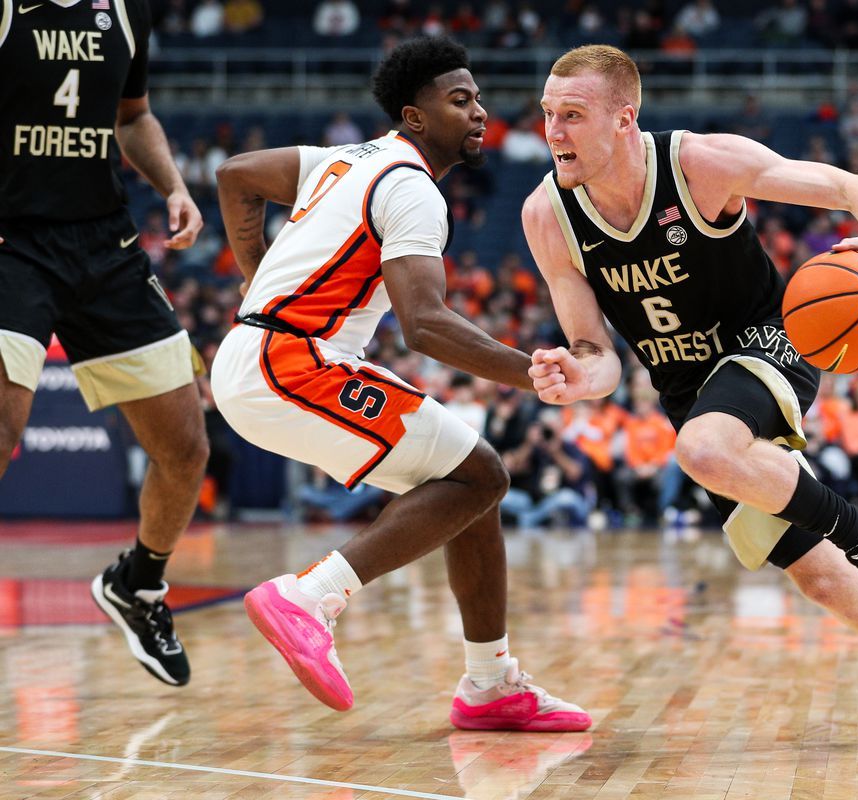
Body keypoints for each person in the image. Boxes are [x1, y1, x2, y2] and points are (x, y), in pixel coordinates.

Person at [521, 45, 858, 743]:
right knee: (825, 583)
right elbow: (598, 354)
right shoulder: (547, 215)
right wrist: (581, 376)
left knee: (700, 449)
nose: (553, 130)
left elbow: (855, 187)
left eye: (572, 115)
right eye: (549, 113)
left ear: (623, 120)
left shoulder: (701, 164)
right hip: (688, 392)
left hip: (770, 343)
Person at [210, 38, 588, 729]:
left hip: (269, 353)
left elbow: (236, 175)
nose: (479, 113)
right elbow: (425, 325)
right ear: (415, 117)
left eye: (477, 98)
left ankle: (490, 683)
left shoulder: (342, 159)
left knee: (472, 484)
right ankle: (312, 596)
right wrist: (528, 372)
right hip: (287, 361)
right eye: (460, 100)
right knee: (478, 478)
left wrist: (257, 274)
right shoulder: (410, 185)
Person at [0, 0, 208, 687]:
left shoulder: (126, 10)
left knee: (185, 446)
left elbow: (133, 114)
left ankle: (137, 584)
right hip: (12, 242)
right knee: (2, 430)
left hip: (103, 244)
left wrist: (172, 185)